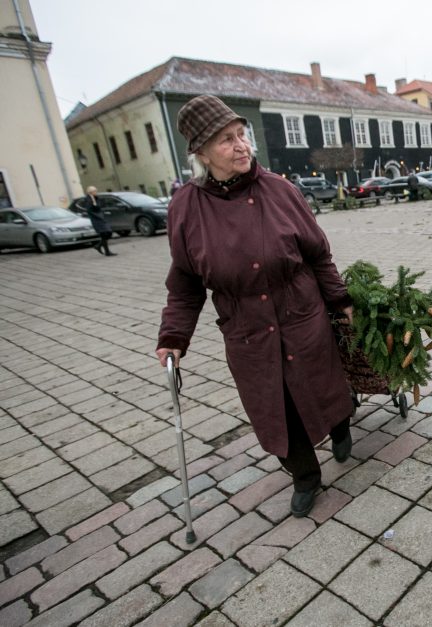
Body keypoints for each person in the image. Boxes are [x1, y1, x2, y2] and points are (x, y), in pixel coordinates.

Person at [155, 94, 354, 519]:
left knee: (323, 384)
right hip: (247, 329)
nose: (241, 145)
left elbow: (319, 255)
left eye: (241, 135)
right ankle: (305, 477)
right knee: (275, 407)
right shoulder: (185, 209)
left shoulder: (280, 190)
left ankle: (341, 428)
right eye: (226, 140)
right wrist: (173, 337)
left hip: (301, 314)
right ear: (201, 152)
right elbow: (185, 283)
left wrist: (340, 301)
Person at [84, 186, 116, 256]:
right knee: (105, 233)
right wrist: (97, 213)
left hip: (100, 218)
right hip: (96, 219)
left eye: (96, 191)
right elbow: (90, 210)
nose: (96, 192)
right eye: (95, 191)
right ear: (91, 192)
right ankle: (105, 250)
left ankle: (99, 246)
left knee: (108, 233)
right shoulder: (88, 199)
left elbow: (99, 206)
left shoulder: (96, 198)